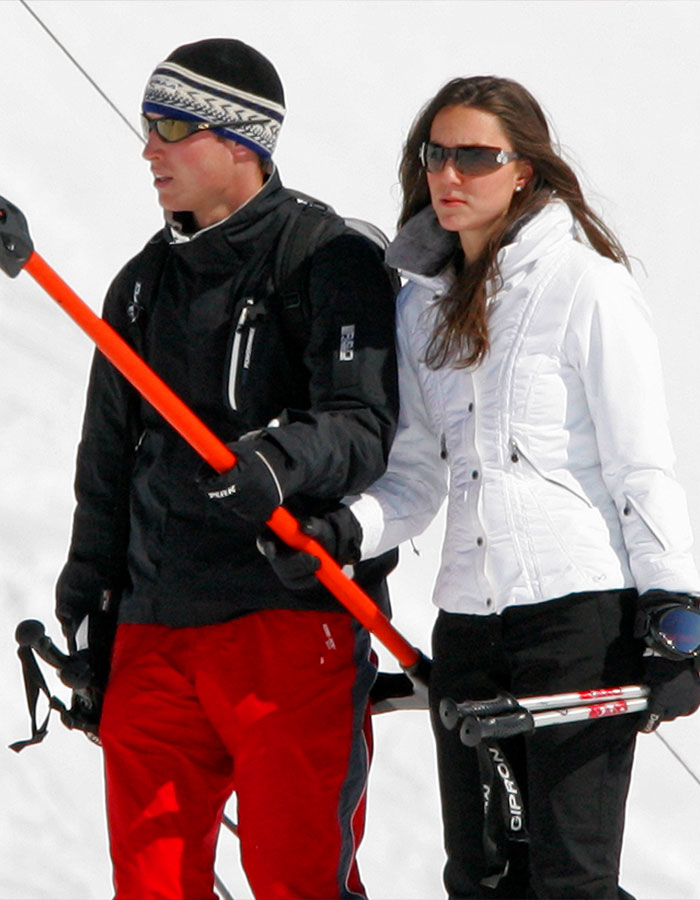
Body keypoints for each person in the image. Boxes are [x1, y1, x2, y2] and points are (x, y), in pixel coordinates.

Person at [263, 76, 700, 898]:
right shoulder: (418, 308)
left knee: (570, 881)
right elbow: (416, 475)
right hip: (469, 623)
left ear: (524, 170)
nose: (448, 175)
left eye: (475, 157)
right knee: (482, 878)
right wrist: (343, 532)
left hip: (577, 619)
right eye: (437, 155)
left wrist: (676, 614)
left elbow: (641, 464)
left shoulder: (586, 286)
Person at [55, 38, 399, 900]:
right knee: (151, 884)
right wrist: (90, 611)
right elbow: (105, 466)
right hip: (157, 628)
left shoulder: (326, 258)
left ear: (243, 140)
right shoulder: (142, 286)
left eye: (172, 127)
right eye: (147, 125)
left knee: (297, 879)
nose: (149, 148)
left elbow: (362, 425)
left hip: (288, 621)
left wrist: (273, 464)